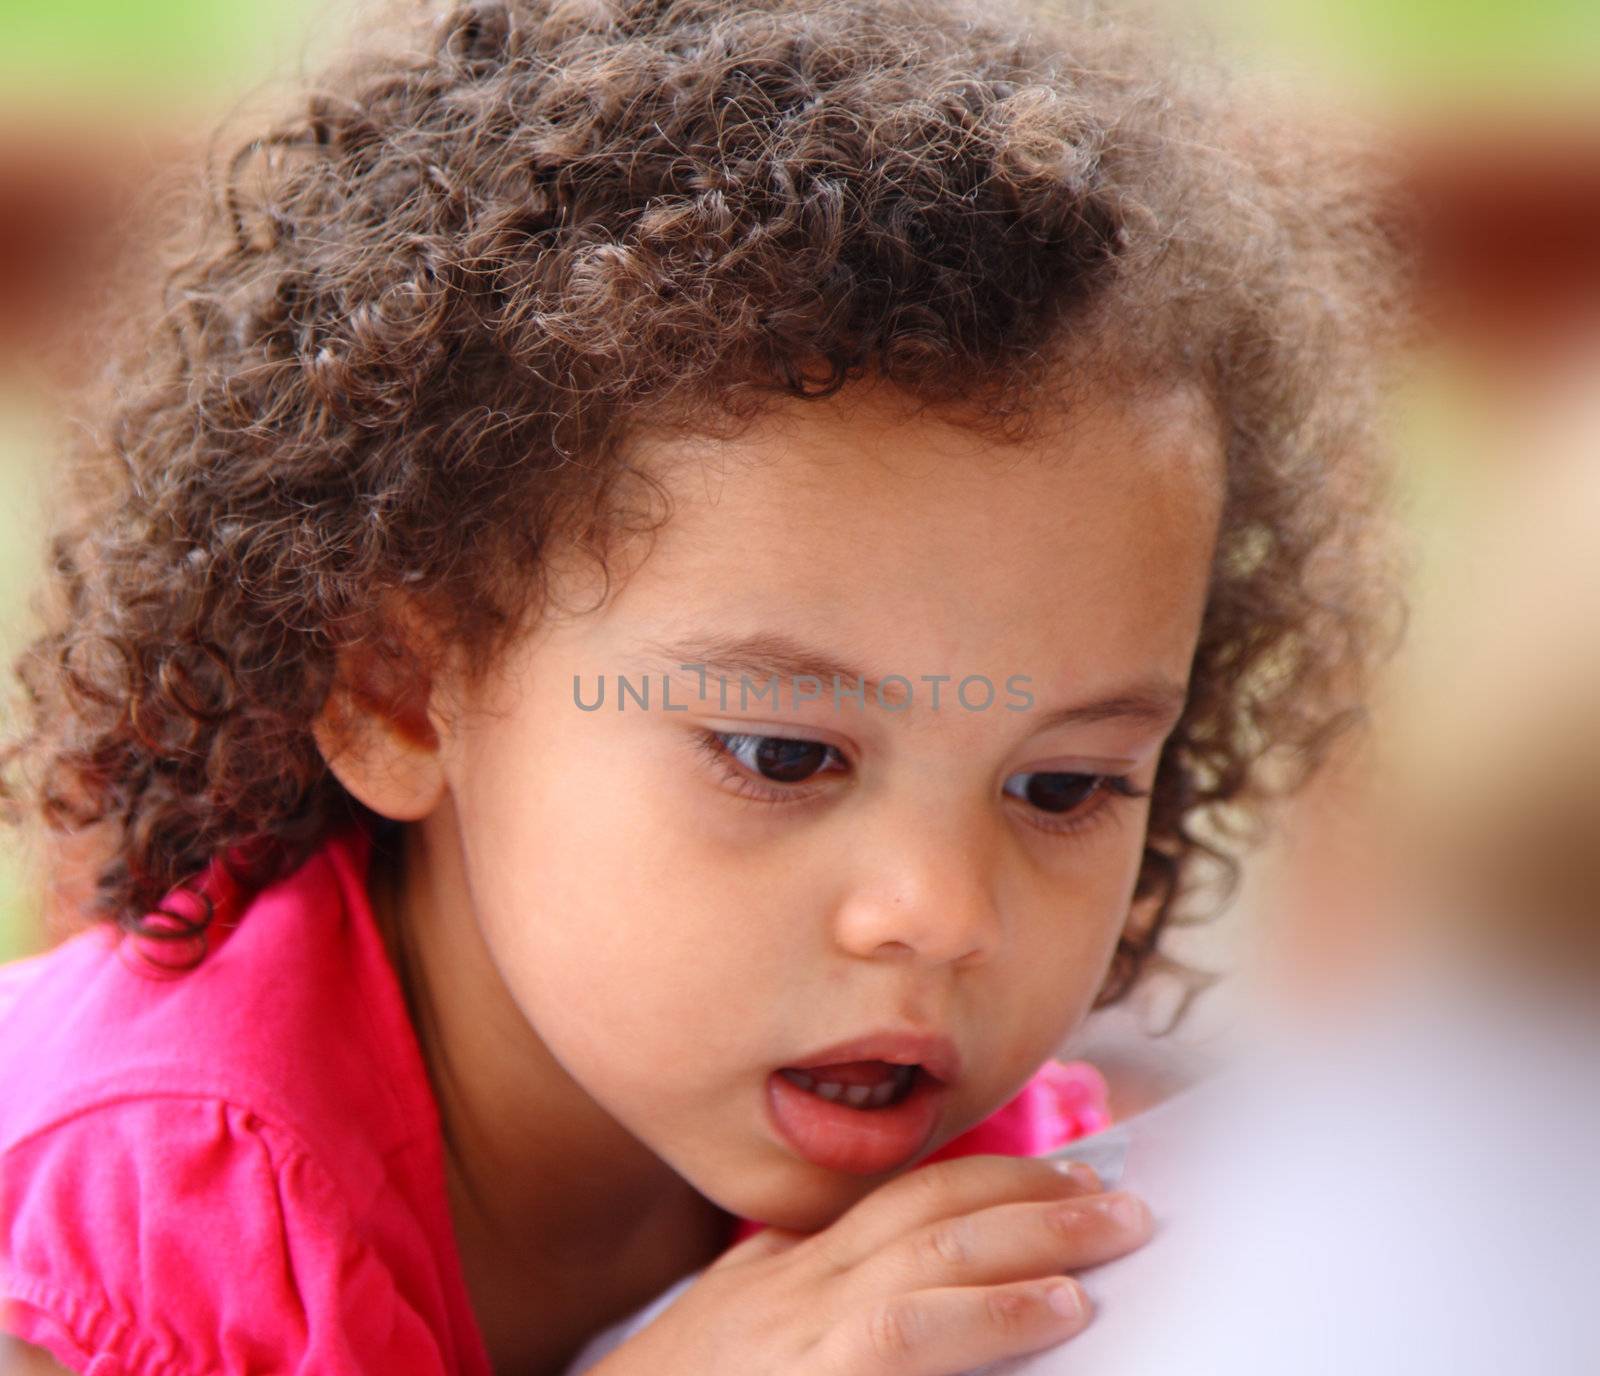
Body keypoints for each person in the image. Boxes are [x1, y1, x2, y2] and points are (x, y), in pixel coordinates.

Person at [0, 0, 1403, 1371]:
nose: (943, 914)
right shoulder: (114, 1232)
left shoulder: (949, 1175)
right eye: (786, 756)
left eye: (1063, 785)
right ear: (399, 695)